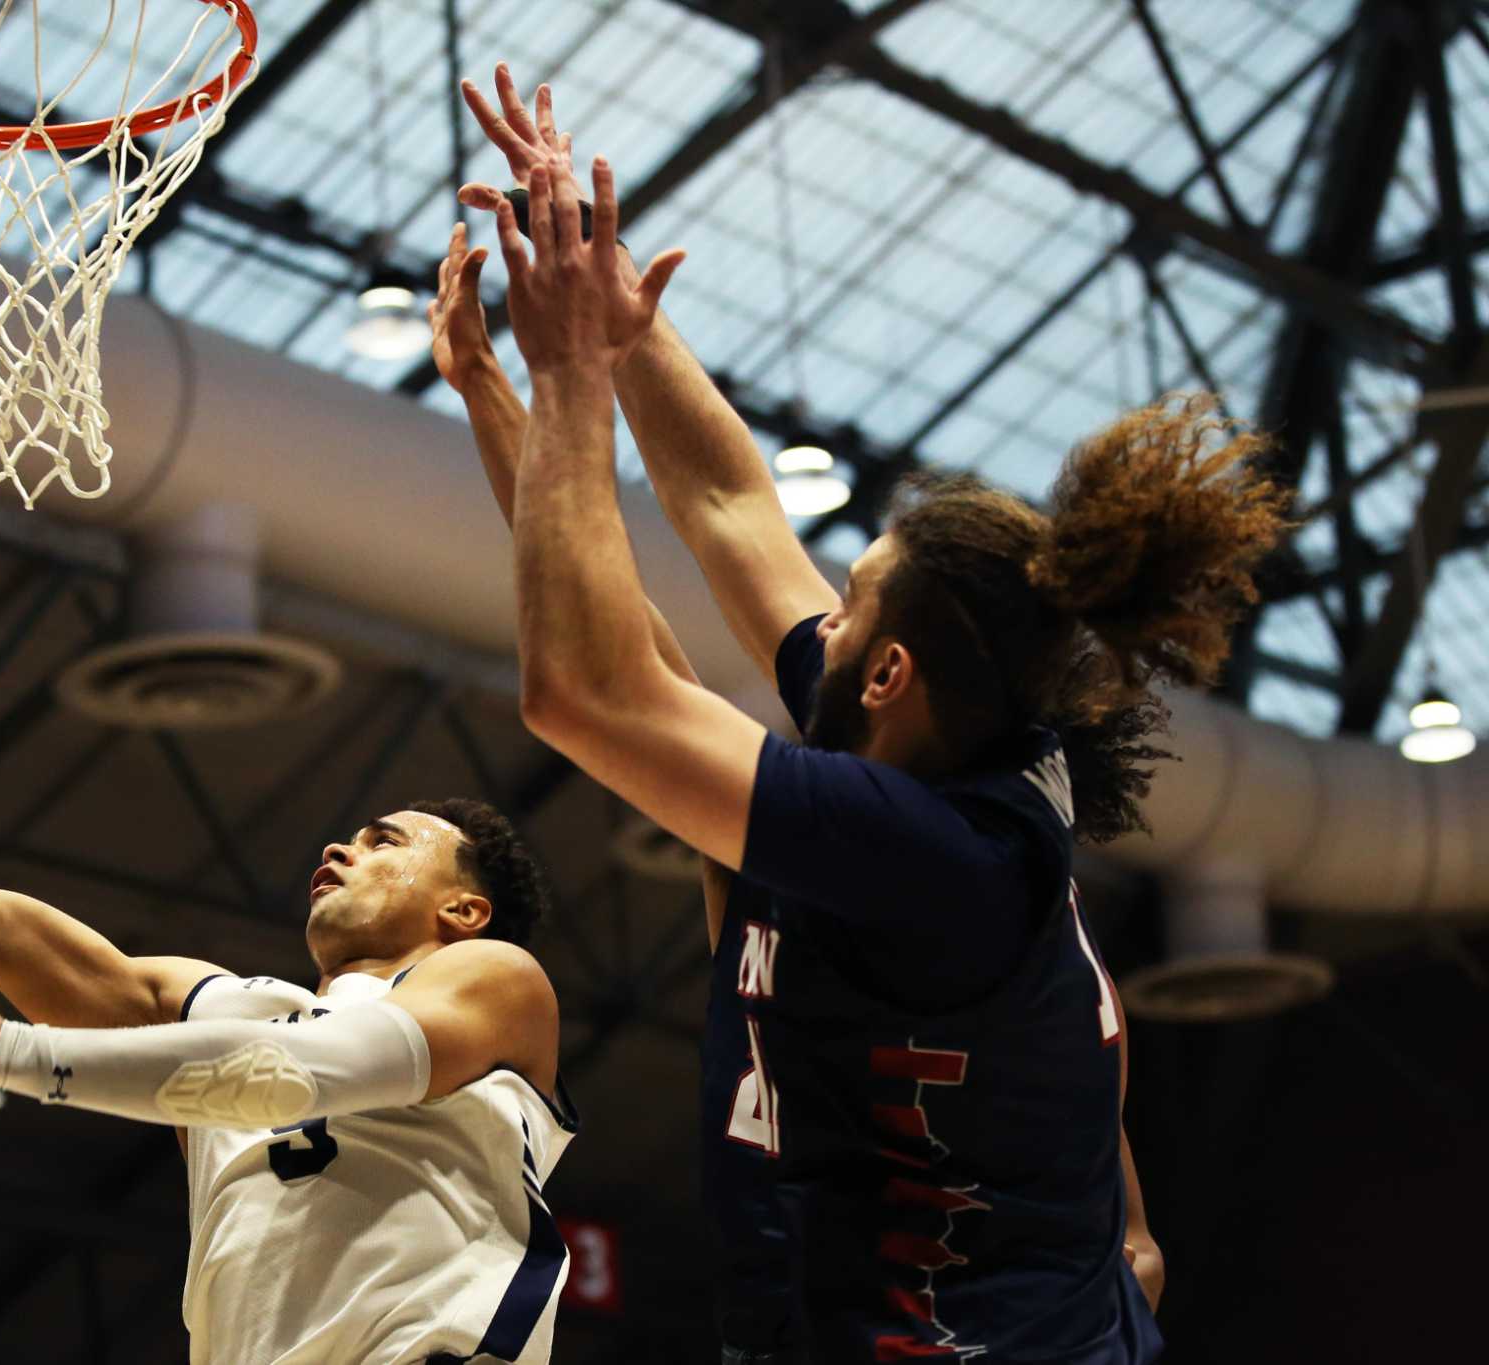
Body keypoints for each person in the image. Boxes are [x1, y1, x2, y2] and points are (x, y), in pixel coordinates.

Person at [469, 66, 1290, 1363]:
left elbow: (588, 689)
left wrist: (568, 367)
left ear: (893, 672)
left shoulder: (924, 850)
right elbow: (736, 513)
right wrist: (609, 304)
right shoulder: (962, 743)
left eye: (846, 610)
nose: (816, 621)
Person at [0, 640, 576, 1365]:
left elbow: (299, 1076)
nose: (342, 849)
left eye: (383, 843)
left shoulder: (496, 981)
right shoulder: (237, 1006)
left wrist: (7, 1054)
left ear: (464, 909)